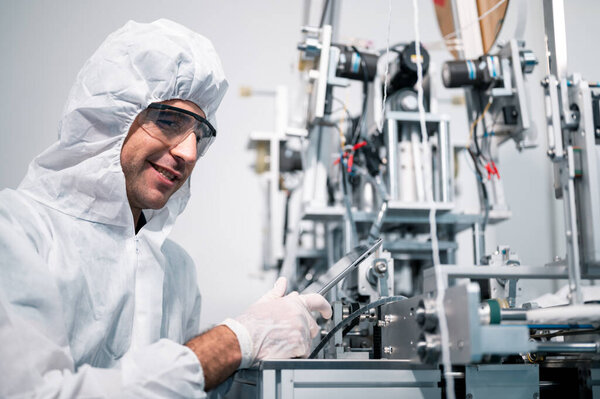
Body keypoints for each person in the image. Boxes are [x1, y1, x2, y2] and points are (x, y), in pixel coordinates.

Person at [0, 19, 331, 397]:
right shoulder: (17, 232)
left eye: (199, 134)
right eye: (169, 120)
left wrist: (258, 353)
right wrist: (232, 342)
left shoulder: (176, 269)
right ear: (109, 117)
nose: (189, 153)